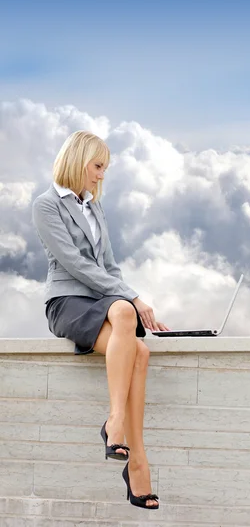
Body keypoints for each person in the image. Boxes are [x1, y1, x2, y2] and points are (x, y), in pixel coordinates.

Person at [32, 130, 170, 510]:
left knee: (139, 353)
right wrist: (132, 298)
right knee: (125, 310)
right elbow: (74, 264)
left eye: (104, 168)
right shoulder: (46, 205)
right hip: (66, 301)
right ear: (78, 162)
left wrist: (127, 293)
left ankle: (136, 461)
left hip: (100, 301)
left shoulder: (95, 208)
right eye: (97, 166)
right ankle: (115, 424)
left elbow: (109, 266)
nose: (101, 175)